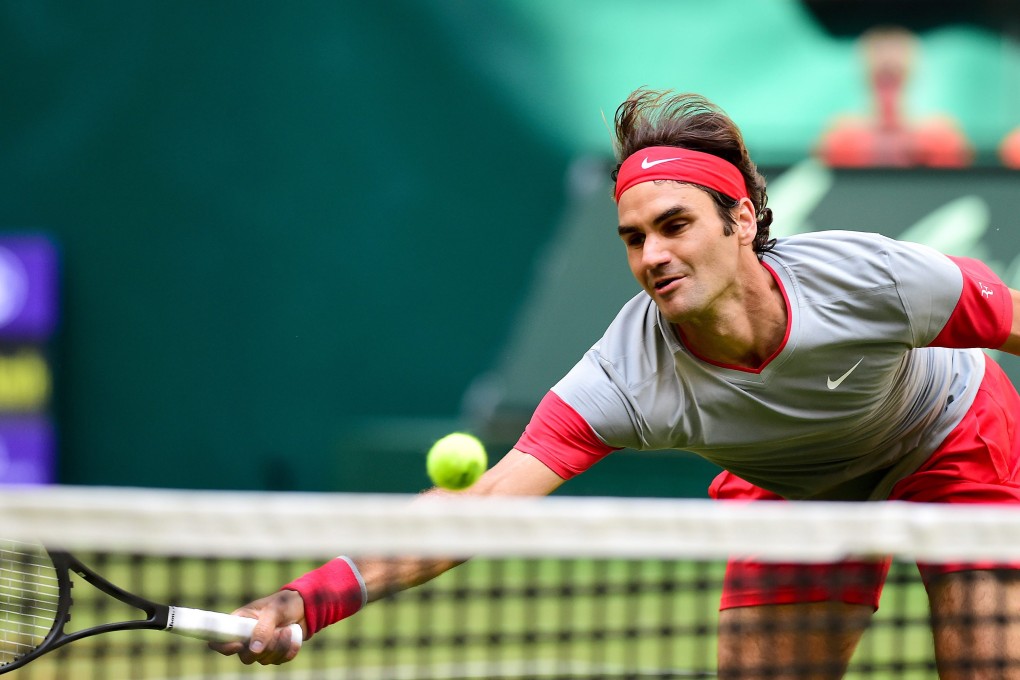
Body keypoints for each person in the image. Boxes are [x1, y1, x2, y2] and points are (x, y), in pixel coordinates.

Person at [213, 89, 1020, 679]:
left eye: (676, 225)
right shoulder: (626, 373)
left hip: (948, 439)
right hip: (794, 489)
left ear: (741, 221)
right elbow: (481, 508)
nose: (653, 255)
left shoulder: (874, 278)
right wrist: (305, 600)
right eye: (634, 238)